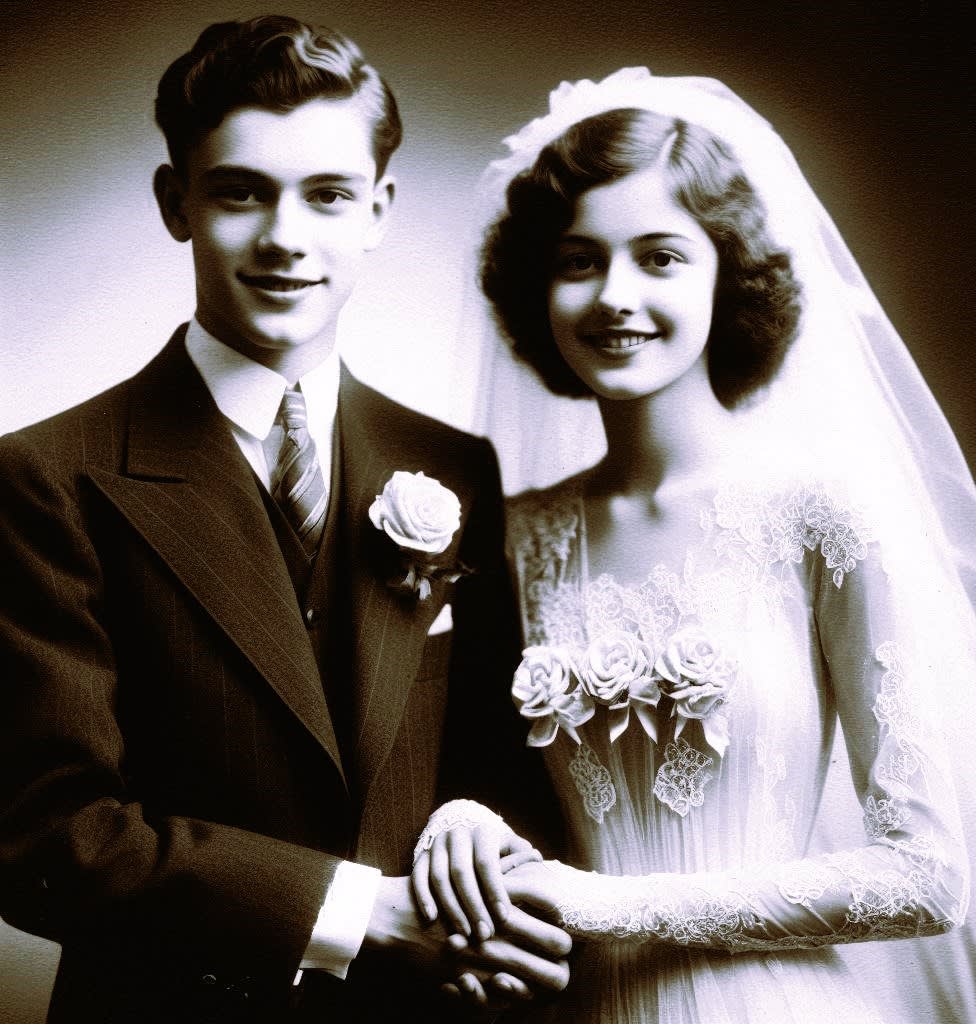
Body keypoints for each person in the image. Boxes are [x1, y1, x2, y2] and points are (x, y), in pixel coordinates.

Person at [413, 69, 976, 1022]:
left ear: (725, 274)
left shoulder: (822, 517)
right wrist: (460, 822)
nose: (615, 297)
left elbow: (928, 878)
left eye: (661, 257)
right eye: (579, 261)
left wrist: (606, 904)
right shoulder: (516, 534)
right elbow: (488, 783)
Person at [0, 16, 571, 1023]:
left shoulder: (455, 468)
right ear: (175, 202)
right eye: (240, 192)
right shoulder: (47, 478)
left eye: (328, 195)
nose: (285, 238)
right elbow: (49, 838)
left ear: (378, 210)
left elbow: (499, 761)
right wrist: (358, 915)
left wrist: (482, 877)